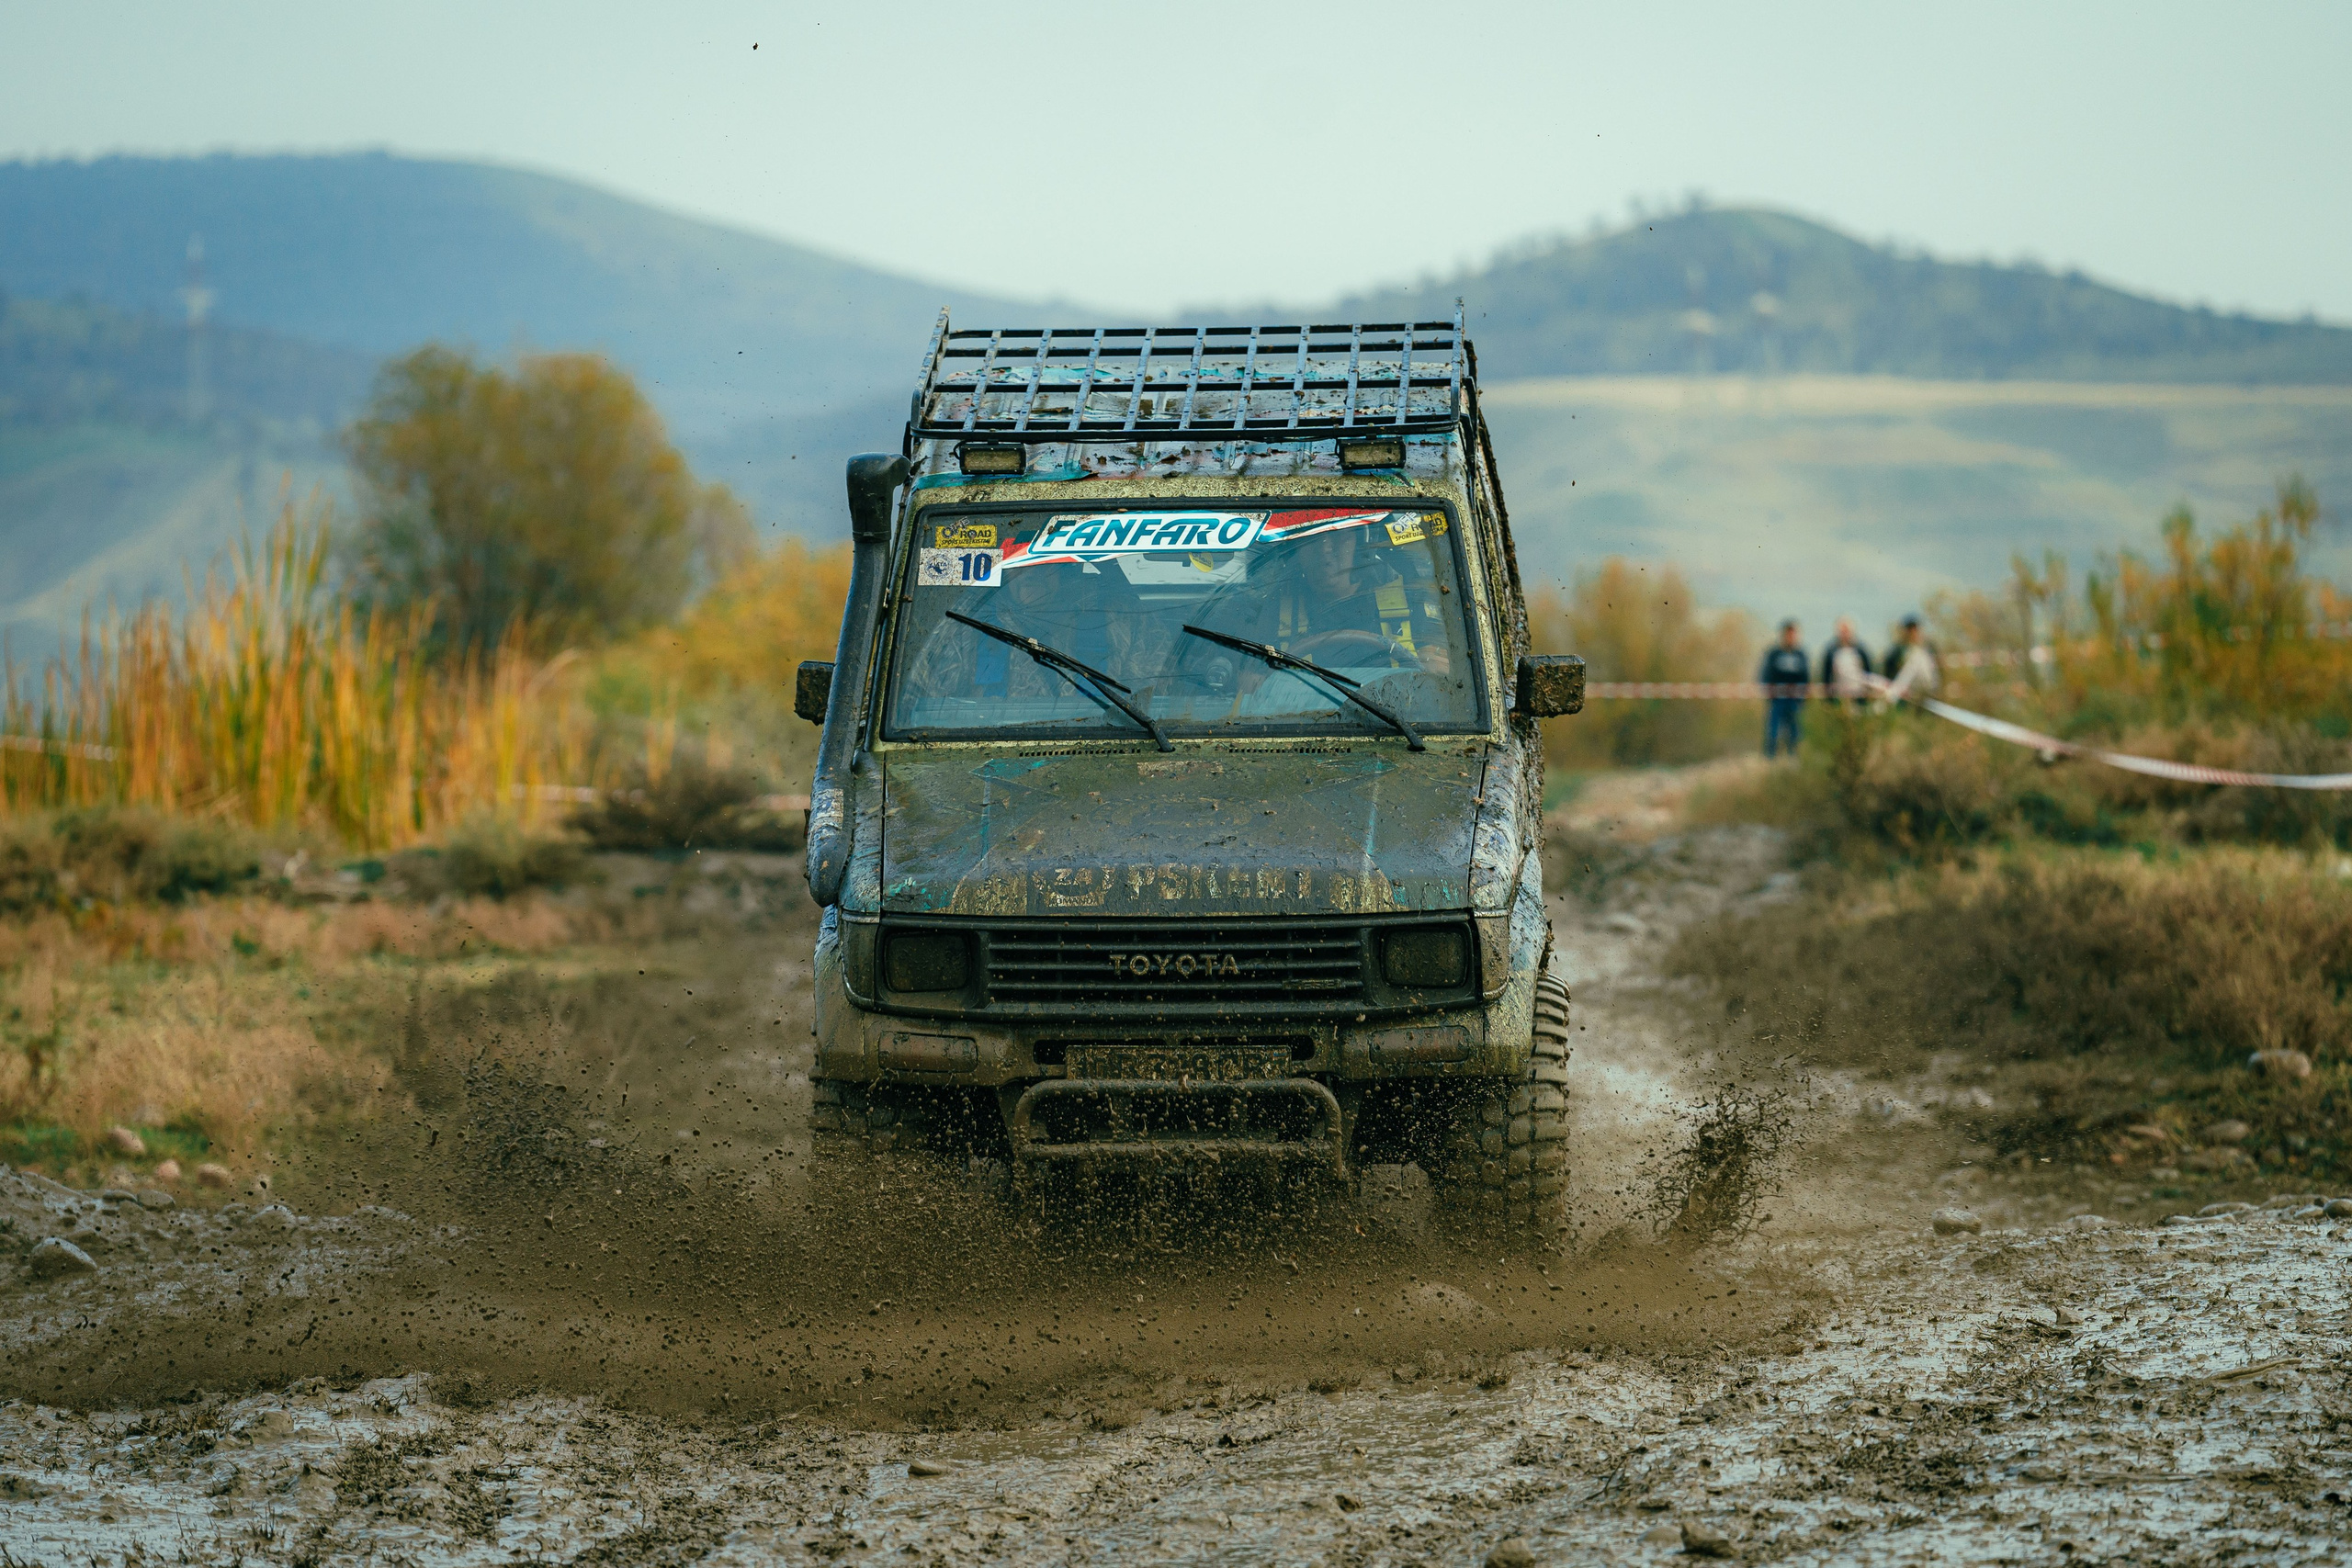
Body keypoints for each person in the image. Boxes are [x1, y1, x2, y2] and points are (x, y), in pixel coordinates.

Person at [1758, 618, 1809, 758]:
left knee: (1794, 730)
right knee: (1773, 730)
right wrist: (1770, 693)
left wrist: (1802, 697)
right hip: (1778, 698)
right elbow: (1766, 674)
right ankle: (1770, 758)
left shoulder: (1800, 654)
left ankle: (1793, 757)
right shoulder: (1774, 653)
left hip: (1794, 699)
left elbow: (1805, 677)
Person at [1883, 615, 1940, 705]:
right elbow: (1890, 674)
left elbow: (1935, 674)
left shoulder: (1928, 650)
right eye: (1910, 630)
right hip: (1905, 696)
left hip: (1927, 693)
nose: (1913, 633)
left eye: (1915, 630)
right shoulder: (1897, 652)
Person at [1819, 616, 1873, 706]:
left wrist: (1868, 692)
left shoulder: (1861, 650)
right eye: (1842, 631)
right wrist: (1829, 698)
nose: (1844, 634)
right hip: (1839, 697)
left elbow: (1868, 672)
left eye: (1847, 630)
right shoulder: (1831, 651)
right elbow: (1826, 675)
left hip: (1858, 696)